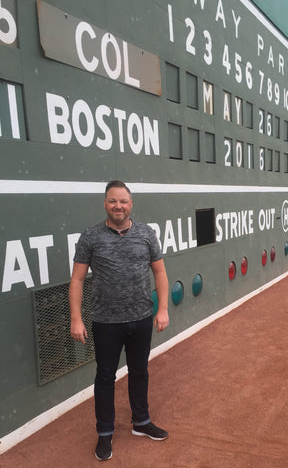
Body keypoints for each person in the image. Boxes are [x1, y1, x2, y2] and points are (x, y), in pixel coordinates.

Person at [69, 180, 169, 461]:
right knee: (105, 377)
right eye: (113, 201)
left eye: (123, 201)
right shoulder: (90, 237)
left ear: (131, 204)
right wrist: (76, 319)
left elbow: (160, 273)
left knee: (140, 371)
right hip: (106, 322)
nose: (118, 206)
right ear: (105, 204)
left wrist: (162, 309)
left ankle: (141, 422)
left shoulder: (147, 234)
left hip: (141, 318)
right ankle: (104, 434)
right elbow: (77, 279)